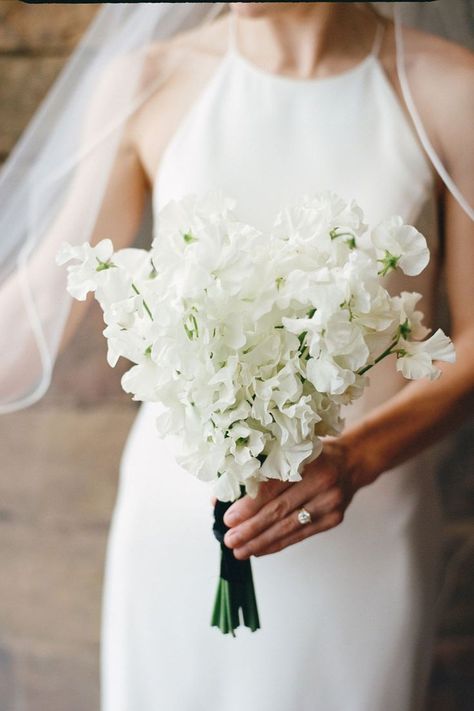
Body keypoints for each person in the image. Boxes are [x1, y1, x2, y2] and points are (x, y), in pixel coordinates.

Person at [1, 3, 473, 711]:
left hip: (367, 524)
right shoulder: (150, 79)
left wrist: (358, 457)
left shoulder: (449, 90)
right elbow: (44, 297)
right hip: (175, 535)